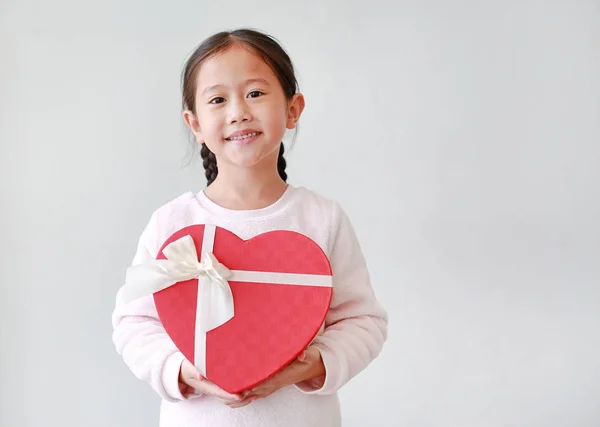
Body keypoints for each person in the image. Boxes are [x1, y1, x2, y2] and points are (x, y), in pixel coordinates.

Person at [111, 28, 388, 427]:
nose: (238, 111)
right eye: (218, 99)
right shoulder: (172, 223)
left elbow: (363, 321)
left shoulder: (322, 218)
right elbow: (134, 322)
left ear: (293, 109)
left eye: (255, 93)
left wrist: (312, 365)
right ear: (195, 123)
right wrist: (181, 371)